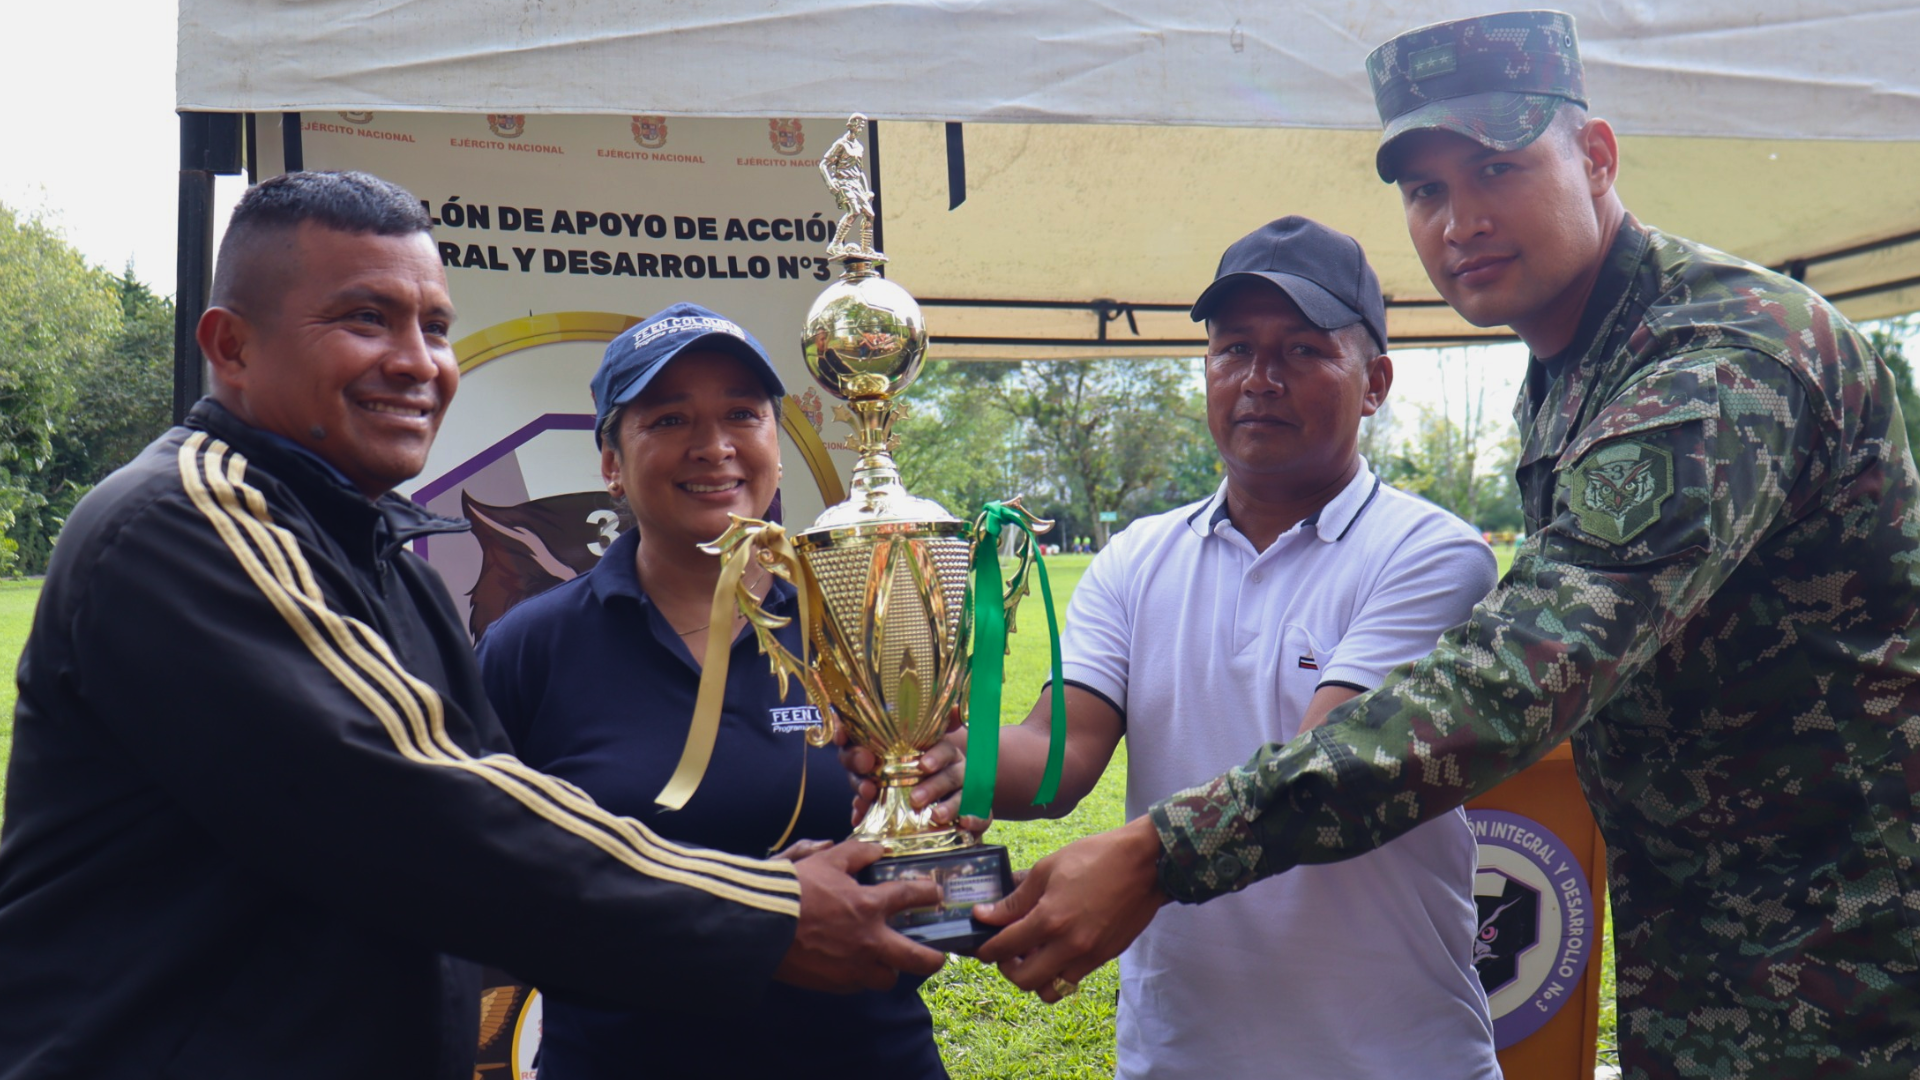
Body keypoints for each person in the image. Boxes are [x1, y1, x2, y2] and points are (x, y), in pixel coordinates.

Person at [972, 11, 1920, 1077]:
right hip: (1721, 947)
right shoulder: (1578, 368)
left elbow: (1514, 679)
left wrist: (1162, 850)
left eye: (1498, 168)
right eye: (1425, 191)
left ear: (1596, 156)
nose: (1461, 219)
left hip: (1849, 965)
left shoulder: (1715, 360)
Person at [0, 170, 944, 1080]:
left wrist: (838, 853)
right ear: (231, 346)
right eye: (366, 318)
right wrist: (766, 910)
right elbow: (428, 815)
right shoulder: (186, 524)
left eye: (436, 327)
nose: (416, 362)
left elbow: (509, 813)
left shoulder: (372, 560)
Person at [938, 218, 1504, 1078]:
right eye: (1233, 348)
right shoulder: (1137, 556)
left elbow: (1329, 775)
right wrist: (945, 754)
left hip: (1391, 1056)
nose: (1260, 380)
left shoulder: (1430, 554)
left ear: (1376, 381)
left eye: (1304, 351)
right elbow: (1057, 761)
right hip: (1179, 1056)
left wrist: (1137, 864)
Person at [474, 303, 947, 1079]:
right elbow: (483, 884)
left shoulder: (861, 619)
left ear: (778, 446)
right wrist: (752, 915)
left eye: (741, 413)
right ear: (610, 463)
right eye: (667, 418)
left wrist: (941, 796)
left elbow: (931, 833)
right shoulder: (530, 649)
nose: (714, 446)